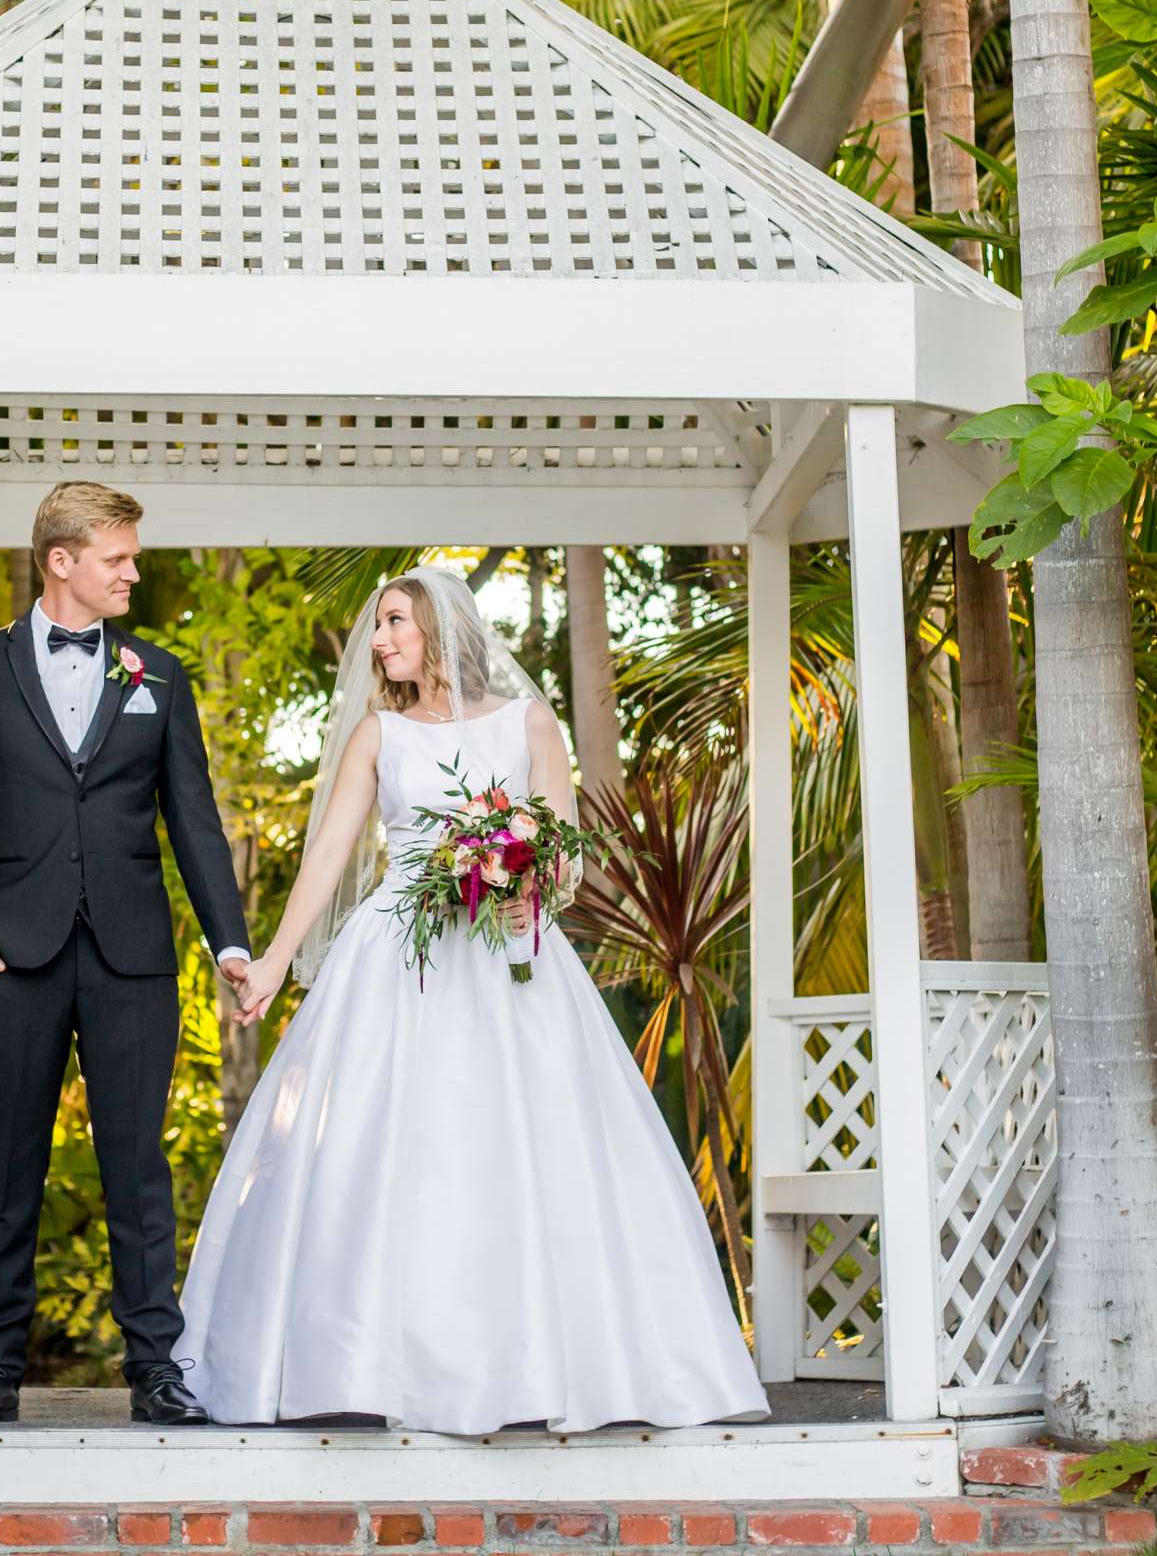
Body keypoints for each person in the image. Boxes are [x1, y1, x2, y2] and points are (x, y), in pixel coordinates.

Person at [176, 565, 769, 1434]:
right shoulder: (377, 735)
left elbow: (565, 854)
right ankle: (356, 1364)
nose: (378, 642)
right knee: (381, 1153)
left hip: (510, 950)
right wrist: (270, 963)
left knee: (527, 1148)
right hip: (396, 957)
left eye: (393, 623)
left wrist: (530, 876)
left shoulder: (531, 722)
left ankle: (548, 1368)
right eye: (378, 626)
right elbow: (328, 859)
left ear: (441, 630)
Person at [0, 481, 252, 1426]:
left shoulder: (160, 675)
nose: (134, 572)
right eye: (118, 558)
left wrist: (229, 942)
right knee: (8, 1170)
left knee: (138, 1171)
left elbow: (195, 822)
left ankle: (156, 1372)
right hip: (10, 961)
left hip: (134, 958)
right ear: (62, 562)